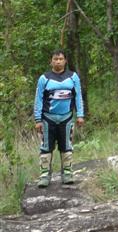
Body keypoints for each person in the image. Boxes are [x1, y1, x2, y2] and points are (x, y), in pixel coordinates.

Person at [33, 49, 85, 187]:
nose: (58, 61)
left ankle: (67, 173)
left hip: (66, 118)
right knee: (46, 147)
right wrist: (38, 119)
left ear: (65, 61)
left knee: (66, 146)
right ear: (51, 61)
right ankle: (44, 175)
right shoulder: (44, 78)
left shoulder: (73, 77)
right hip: (47, 119)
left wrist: (80, 115)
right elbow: (38, 99)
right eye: (55, 59)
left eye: (61, 59)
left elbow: (78, 96)